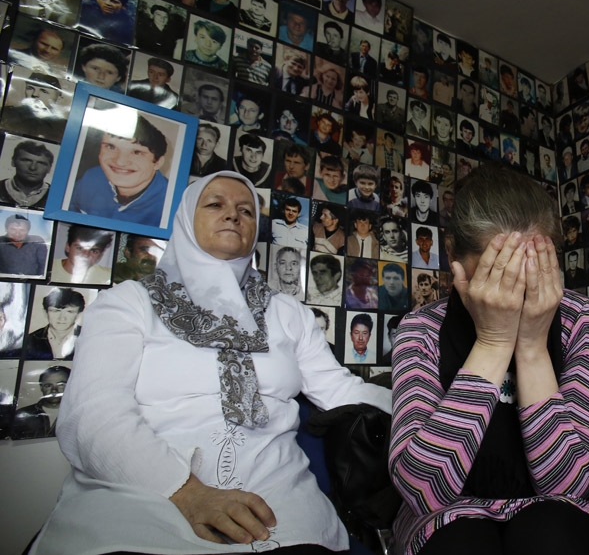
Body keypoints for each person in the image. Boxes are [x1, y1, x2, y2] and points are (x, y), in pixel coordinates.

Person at [29, 171, 391, 552]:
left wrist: (430, 409)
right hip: (144, 491)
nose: (233, 215)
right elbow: (93, 414)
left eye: (246, 211)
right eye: (215, 204)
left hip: (275, 494)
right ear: (186, 218)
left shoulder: (289, 313)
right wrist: (187, 493)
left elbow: (338, 389)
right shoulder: (128, 302)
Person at [389, 163, 589, 555]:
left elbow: (571, 486)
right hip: (447, 521)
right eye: (495, 275)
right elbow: (423, 491)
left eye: (528, 275)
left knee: (551, 534)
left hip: (558, 518)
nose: (513, 296)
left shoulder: (582, 318)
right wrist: (494, 342)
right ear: (453, 259)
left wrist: (530, 348)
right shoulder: (420, 328)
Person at [69, 116, 170, 227]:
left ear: (157, 162)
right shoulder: (92, 176)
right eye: (111, 147)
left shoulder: (170, 204)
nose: (120, 162)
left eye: (137, 152)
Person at [24, 287, 85, 360]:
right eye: (56, 311)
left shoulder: (89, 337)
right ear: (45, 312)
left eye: (70, 312)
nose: (62, 318)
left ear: (78, 314)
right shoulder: (30, 340)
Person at [10, 365, 70, 439]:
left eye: (61, 385)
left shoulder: (80, 413)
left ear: (71, 385)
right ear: (41, 388)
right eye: (48, 385)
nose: (54, 390)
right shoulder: (22, 414)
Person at [0, 140, 54, 208]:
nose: (33, 167)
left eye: (41, 163)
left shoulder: (57, 196)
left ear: (49, 168)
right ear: (13, 162)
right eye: (26, 160)